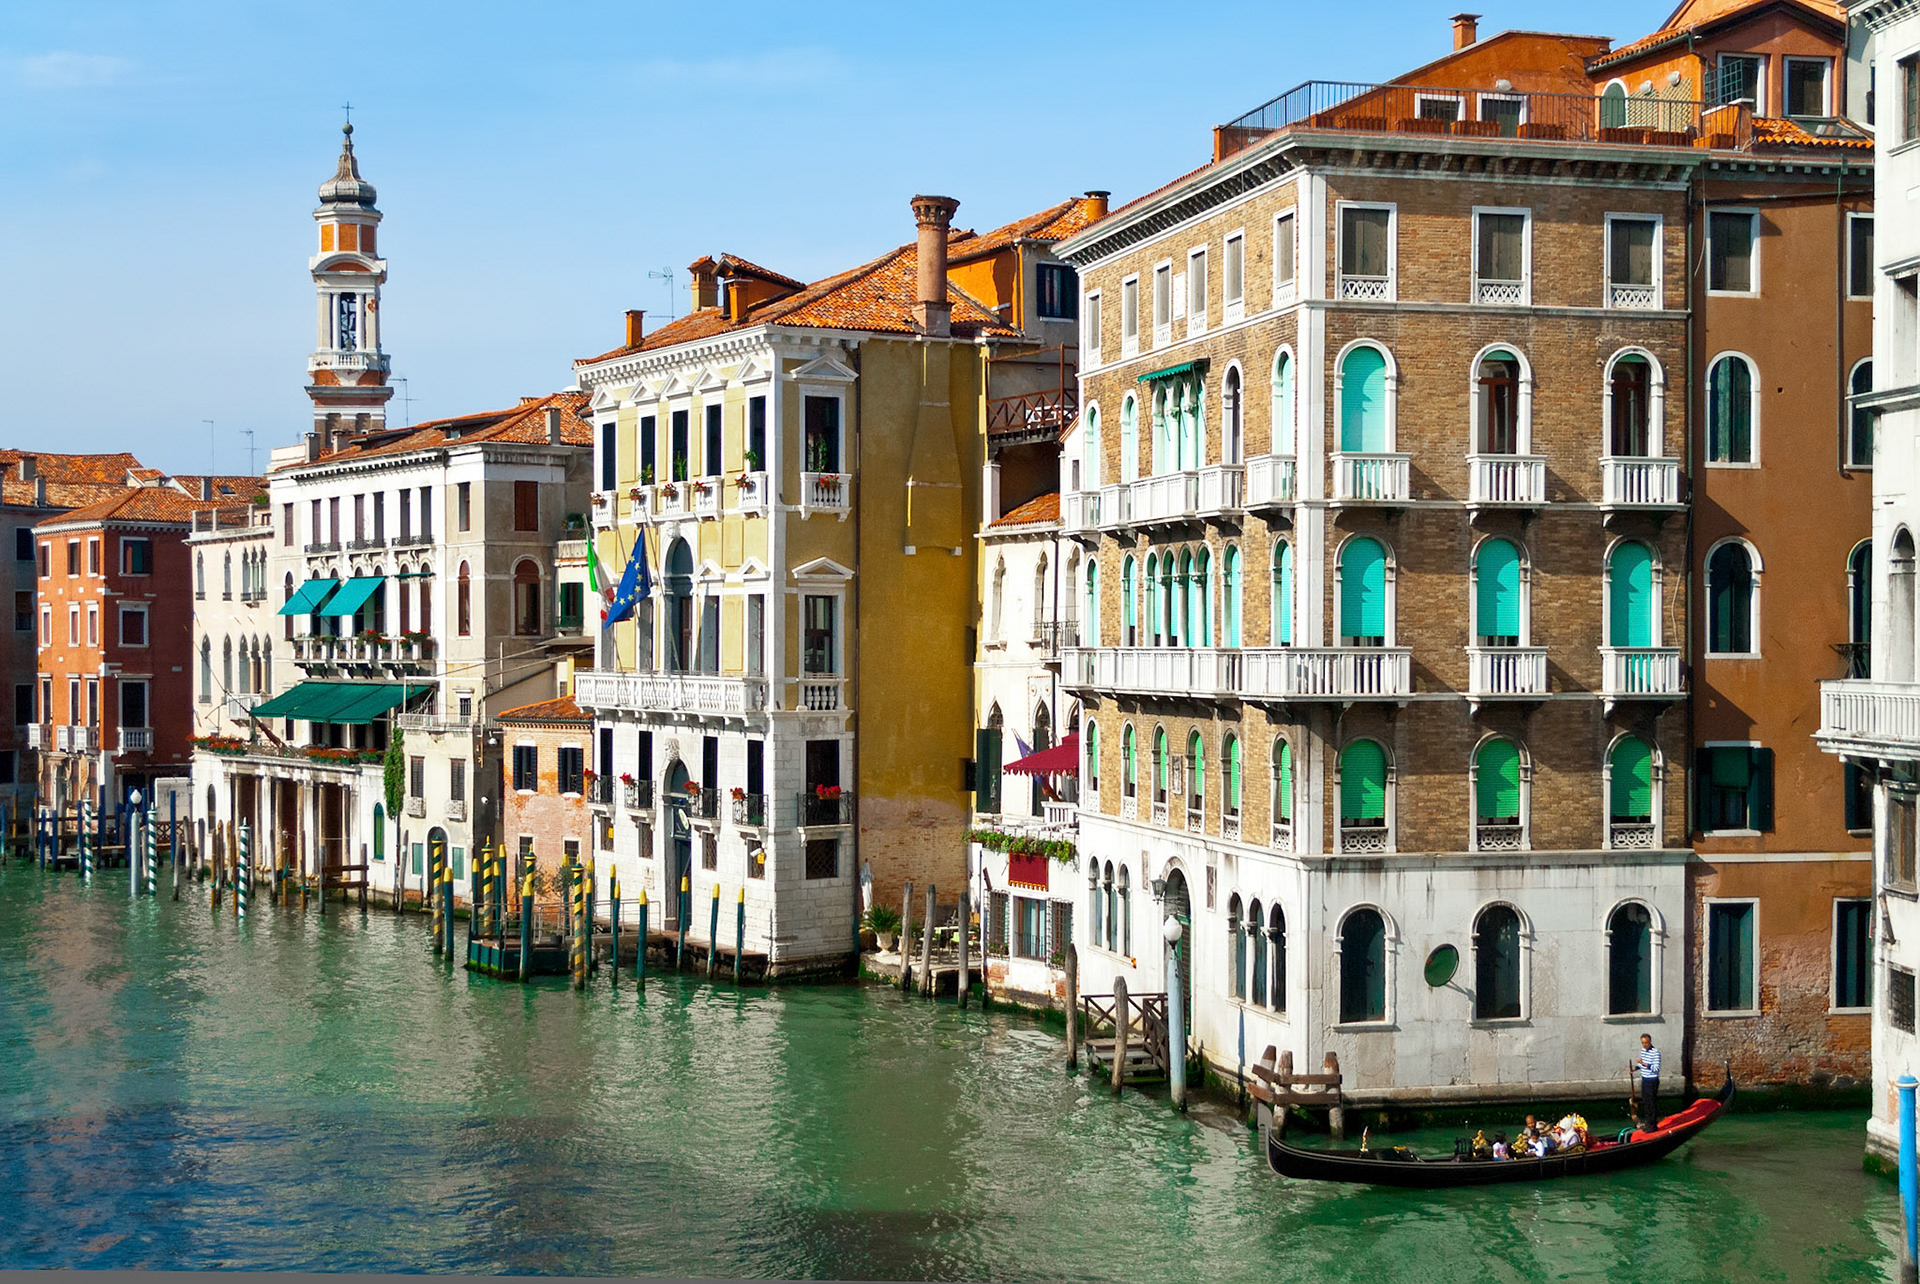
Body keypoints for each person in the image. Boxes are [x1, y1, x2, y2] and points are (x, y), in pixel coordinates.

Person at [1633, 1033, 1661, 1129]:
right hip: (1644, 1079)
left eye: (1646, 1043)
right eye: (1643, 1043)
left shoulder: (1655, 1052)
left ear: (1650, 1042)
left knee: (1651, 1103)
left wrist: (1644, 1064)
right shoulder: (1643, 1051)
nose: (1644, 1045)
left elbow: (1656, 1069)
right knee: (1646, 1102)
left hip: (1652, 1080)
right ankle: (1648, 1123)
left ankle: (1653, 1125)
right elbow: (1642, 1065)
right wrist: (1635, 1068)